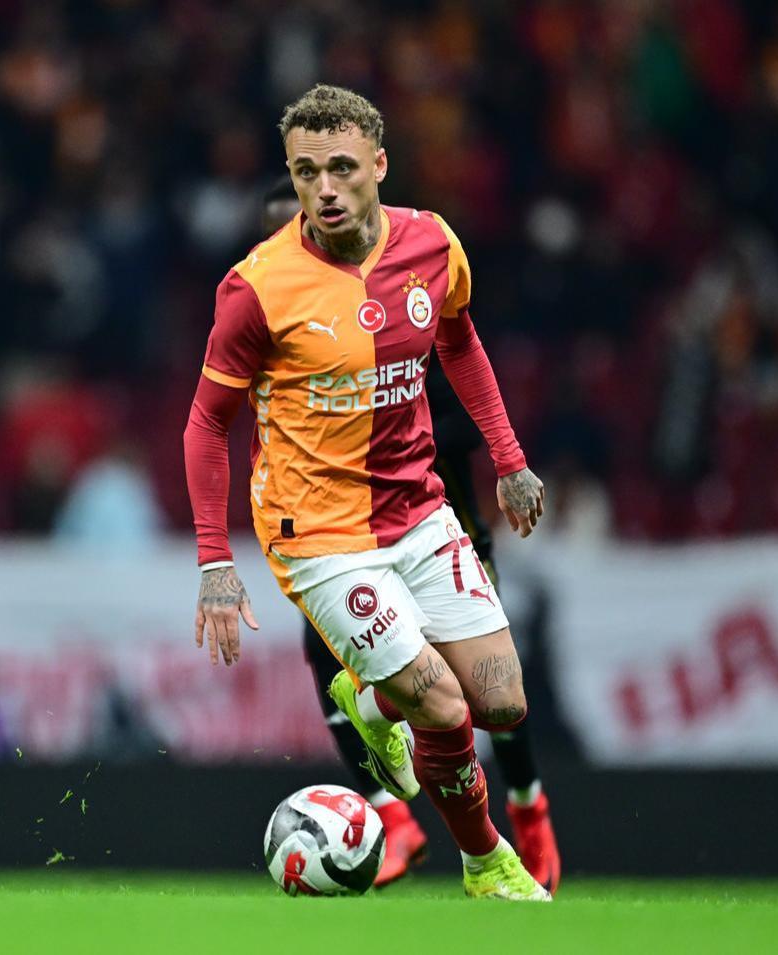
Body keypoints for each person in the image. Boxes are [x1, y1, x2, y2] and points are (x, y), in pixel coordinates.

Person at [185, 84, 550, 901]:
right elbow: (204, 424)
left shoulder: (432, 245)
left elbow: (459, 341)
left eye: (342, 167)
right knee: (446, 708)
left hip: (418, 508)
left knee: (501, 703)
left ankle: (369, 694)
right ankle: (487, 861)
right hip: (314, 531)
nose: (324, 188)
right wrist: (215, 560)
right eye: (306, 171)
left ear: (379, 166)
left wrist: (510, 459)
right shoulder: (257, 288)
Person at [259, 178, 562, 892]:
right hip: (333, 534)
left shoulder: (399, 291)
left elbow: (457, 397)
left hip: (433, 515)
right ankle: (397, 819)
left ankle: (528, 807)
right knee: (341, 655)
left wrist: (505, 461)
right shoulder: (275, 301)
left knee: (492, 692)